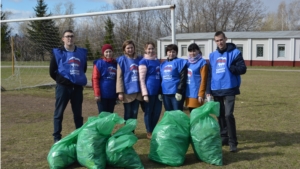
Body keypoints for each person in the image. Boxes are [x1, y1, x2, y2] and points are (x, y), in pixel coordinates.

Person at [206, 31, 247, 152]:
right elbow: (209, 75)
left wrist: (232, 68)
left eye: (221, 40)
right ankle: (223, 137)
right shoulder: (212, 55)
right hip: (216, 89)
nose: (220, 42)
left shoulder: (235, 53)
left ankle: (233, 142)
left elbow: (243, 69)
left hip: (230, 87)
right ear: (215, 42)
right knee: (220, 115)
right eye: (217, 41)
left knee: (229, 114)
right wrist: (208, 90)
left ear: (226, 39)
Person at [49, 30, 88, 143]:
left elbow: (83, 69)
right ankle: (57, 138)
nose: (70, 38)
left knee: (78, 114)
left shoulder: (80, 53)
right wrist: (63, 81)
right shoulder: (58, 53)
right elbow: (52, 71)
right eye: (67, 36)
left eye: (71, 36)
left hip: (77, 89)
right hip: (63, 88)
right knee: (59, 113)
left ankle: (80, 136)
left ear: (74, 38)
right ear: (63, 39)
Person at [139, 42, 162, 139]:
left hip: (158, 92)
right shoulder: (143, 62)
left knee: (157, 112)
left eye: (152, 48)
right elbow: (142, 79)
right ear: (145, 50)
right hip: (149, 92)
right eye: (148, 49)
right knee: (149, 112)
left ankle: (153, 129)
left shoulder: (157, 61)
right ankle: (149, 131)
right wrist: (145, 94)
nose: (150, 50)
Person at [116, 40, 143, 121]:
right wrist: (120, 92)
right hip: (127, 92)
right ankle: (127, 132)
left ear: (134, 48)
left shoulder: (140, 59)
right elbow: (119, 77)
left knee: (135, 113)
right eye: (128, 48)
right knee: (128, 113)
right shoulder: (121, 60)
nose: (130, 49)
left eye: (131, 47)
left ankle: (132, 131)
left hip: (137, 92)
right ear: (124, 49)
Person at [160, 44, 187, 111]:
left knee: (177, 113)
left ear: (176, 53)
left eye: (173, 52)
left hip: (176, 92)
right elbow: (161, 79)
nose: (171, 54)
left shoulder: (180, 62)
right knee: (169, 114)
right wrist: (160, 92)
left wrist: (179, 91)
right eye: (169, 52)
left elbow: (183, 77)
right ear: (166, 52)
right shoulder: (163, 64)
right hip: (165, 92)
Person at [92, 44, 117, 113]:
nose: (108, 53)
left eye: (110, 51)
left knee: (110, 116)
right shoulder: (99, 63)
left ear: (112, 52)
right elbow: (95, 79)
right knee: (103, 116)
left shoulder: (115, 63)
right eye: (106, 52)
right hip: (102, 95)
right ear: (103, 53)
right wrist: (97, 94)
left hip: (112, 95)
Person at [185, 43, 208, 112]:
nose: (192, 53)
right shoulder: (187, 62)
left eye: (194, 51)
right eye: (190, 51)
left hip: (196, 94)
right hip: (188, 93)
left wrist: (201, 94)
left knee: (197, 116)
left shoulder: (202, 62)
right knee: (191, 115)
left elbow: (204, 80)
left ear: (198, 51)